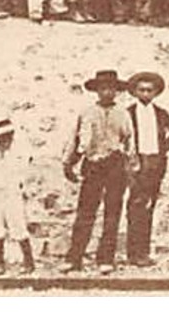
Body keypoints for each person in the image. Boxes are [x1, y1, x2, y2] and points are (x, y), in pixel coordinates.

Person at [61, 69, 137, 274]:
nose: (107, 93)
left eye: (111, 89)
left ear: (117, 91)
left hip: (115, 165)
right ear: (96, 91)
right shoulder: (86, 113)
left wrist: (131, 169)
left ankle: (106, 258)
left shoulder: (124, 114)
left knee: (112, 213)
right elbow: (76, 140)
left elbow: (130, 143)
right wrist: (68, 163)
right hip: (92, 165)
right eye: (103, 88)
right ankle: (74, 257)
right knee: (85, 213)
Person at [123, 71, 169, 268]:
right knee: (135, 205)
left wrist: (163, 148)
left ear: (155, 93)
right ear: (135, 92)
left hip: (155, 163)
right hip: (136, 163)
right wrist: (130, 157)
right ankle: (132, 252)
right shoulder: (127, 113)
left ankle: (143, 252)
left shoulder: (161, 113)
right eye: (142, 90)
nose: (146, 94)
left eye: (149, 90)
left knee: (148, 206)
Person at [0, 115, 34, 276]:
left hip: (12, 192)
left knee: (17, 225)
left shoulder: (20, 151)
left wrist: (20, 186)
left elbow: (23, 169)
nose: (3, 140)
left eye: (6, 136)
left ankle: (29, 261)